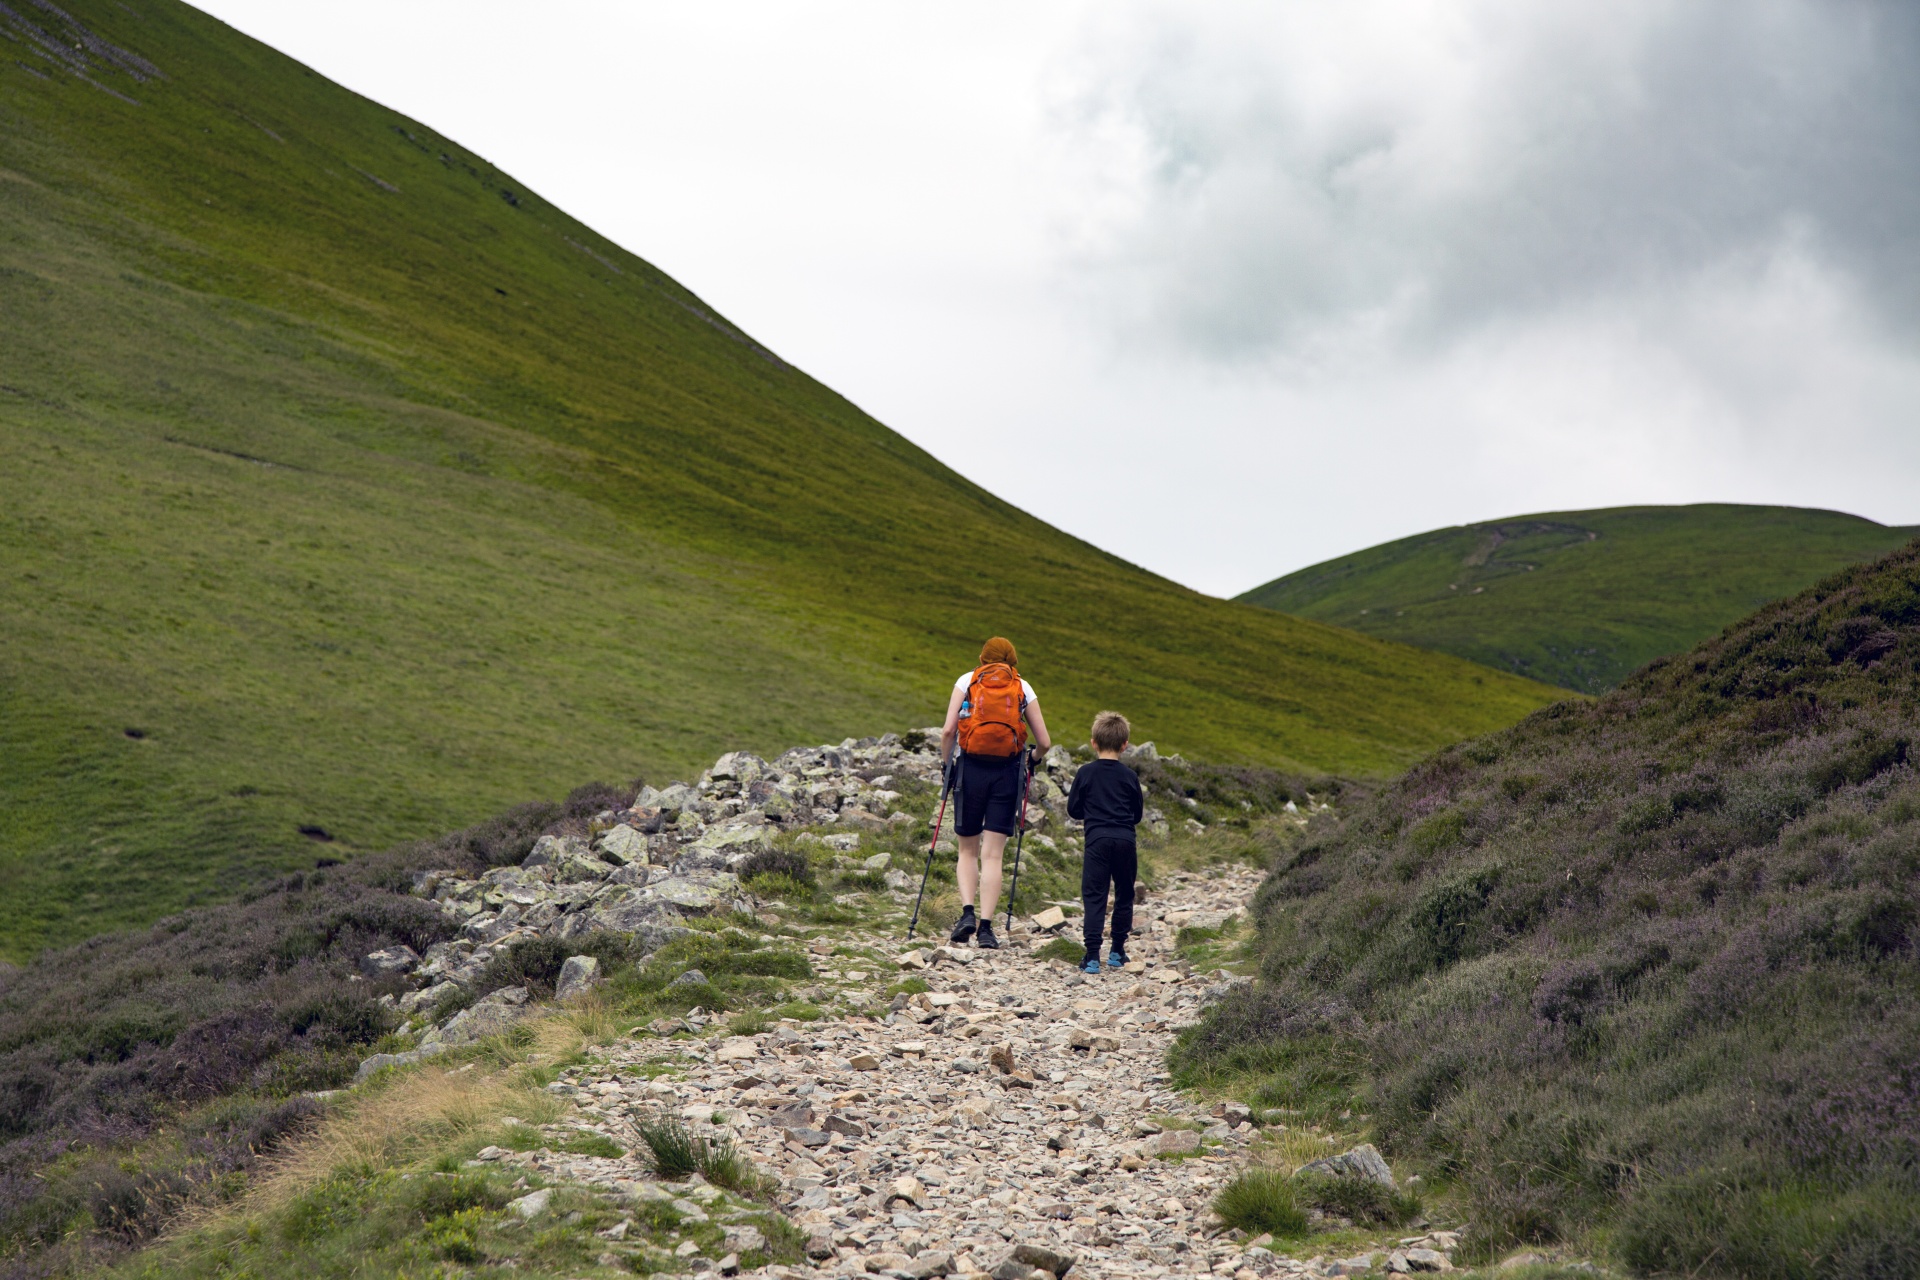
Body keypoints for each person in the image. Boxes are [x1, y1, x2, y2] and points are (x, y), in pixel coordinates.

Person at [940, 637, 1052, 949]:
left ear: (983, 657)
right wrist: (1031, 761)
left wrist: (945, 764)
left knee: (967, 850)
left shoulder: (968, 680)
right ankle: (987, 929)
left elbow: (949, 731)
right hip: (1007, 773)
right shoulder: (1022, 687)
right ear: (1012, 660)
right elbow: (1043, 740)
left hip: (970, 770)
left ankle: (966, 915)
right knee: (993, 854)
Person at [1067, 710, 1145, 975]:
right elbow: (1137, 815)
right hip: (1125, 841)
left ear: (1094, 742)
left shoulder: (1085, 772)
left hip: (1097, 840)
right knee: (1124, 893)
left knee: (1095, 896)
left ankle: (1091, 957)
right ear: (1125, 745)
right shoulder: (1130, 776)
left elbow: (1073, 810)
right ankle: (1117, 952)